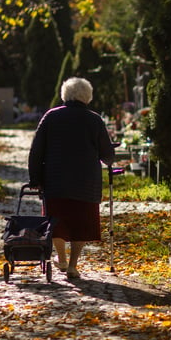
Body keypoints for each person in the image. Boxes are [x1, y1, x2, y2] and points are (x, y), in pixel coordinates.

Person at [28, 77, 115, 279]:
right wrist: (109, 156)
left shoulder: (51, 116)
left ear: (64, 95)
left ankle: (62, 258)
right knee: (81, 223)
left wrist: (35, 178)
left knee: (56, 221)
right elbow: (107, 155)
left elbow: (36, 150)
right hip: (86, 184)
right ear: (88, 96)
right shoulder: (94, 119)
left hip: (55, 181)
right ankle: (73, 265)